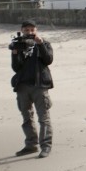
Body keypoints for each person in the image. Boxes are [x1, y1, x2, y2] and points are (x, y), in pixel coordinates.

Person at [10, 19, 54, 158]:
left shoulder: (44, 43)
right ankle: (31, 145)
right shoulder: (18, 44)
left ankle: (46, 146)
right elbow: (15, 68)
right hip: (22, 86)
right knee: (26, 117)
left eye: (32, 30)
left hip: (40, 86)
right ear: (22, 30)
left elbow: (48, 60)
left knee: (43, 118)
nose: (29, 32)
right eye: (26, 30)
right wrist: (16, 53)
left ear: (36, 30)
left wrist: (40, 44)